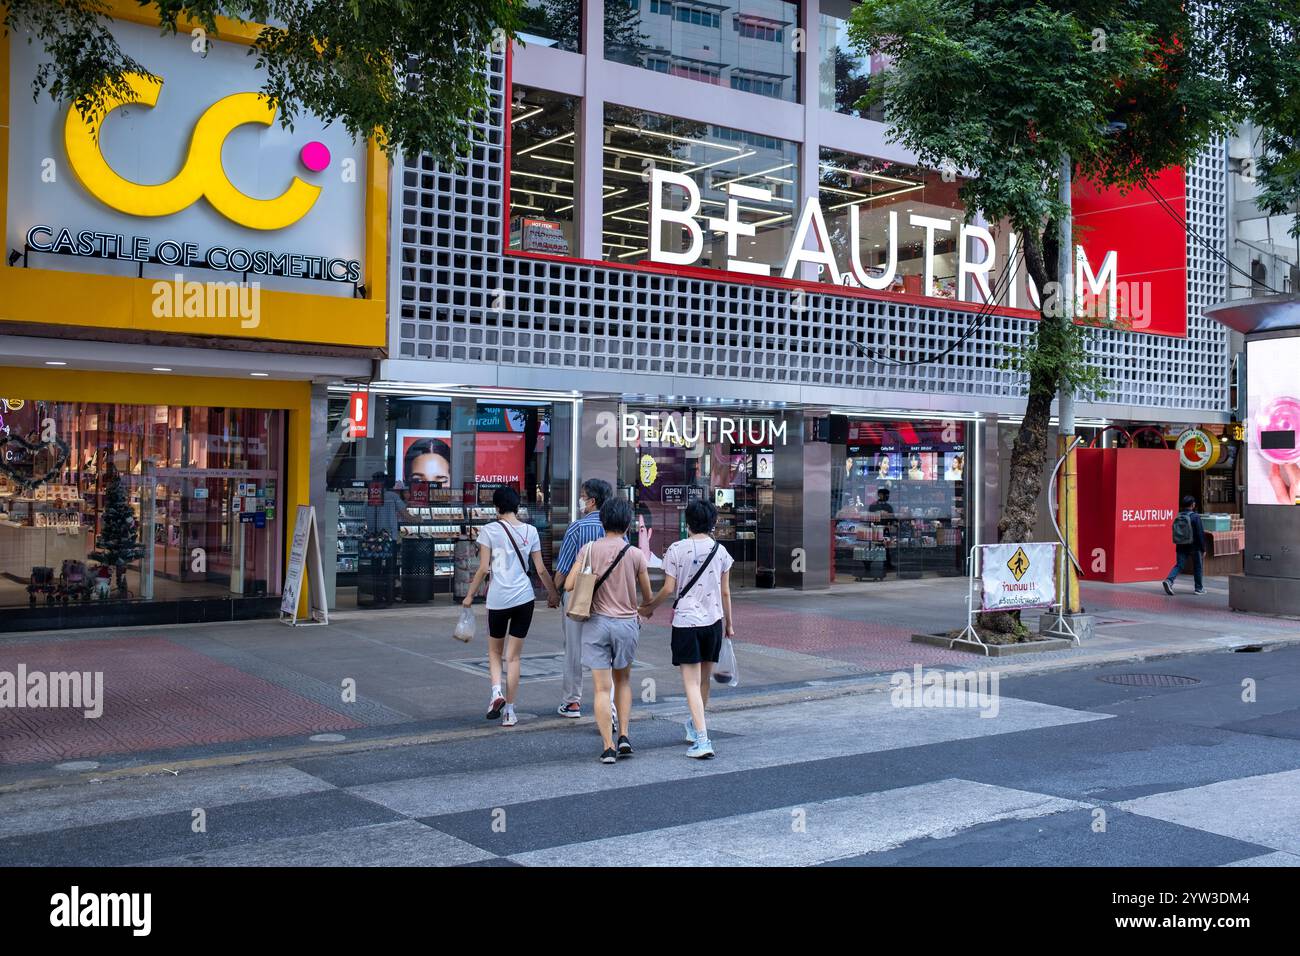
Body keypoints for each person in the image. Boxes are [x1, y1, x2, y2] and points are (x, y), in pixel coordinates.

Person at [639, 499, 733, 759]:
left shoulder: (676, 550)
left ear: (687, 523)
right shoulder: (721, 551)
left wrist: (648, 607)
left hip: (687, 623)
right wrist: (730, 624)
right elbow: (725, 592)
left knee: (690, 683)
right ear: (712, 522)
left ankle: (703, 740)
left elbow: (669, 589)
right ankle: (695, 726)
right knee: (703, 681)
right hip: (713, 622)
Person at [462, 486, 559, 727]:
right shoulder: (531, 531)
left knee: (495, 652)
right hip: (524, 599)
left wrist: (469, 595)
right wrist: (553, 594)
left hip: (497, 600)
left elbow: (484, 569)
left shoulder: (489, 531)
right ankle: (511, 712)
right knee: (513, 658)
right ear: (517, 506)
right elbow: (540, 569)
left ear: (496, 507)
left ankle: (496, 693)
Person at [568, 497, 652, 764]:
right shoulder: (636, 554)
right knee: (624, 682)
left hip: (596, 625)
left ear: (603, 521)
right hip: (627, 624)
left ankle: (607, 747)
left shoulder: (589, 549)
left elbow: (570, 584)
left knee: (602, 689)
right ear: (628, 523)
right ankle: (624, 735)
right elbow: (647, 597)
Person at [551, 478, 614, 718]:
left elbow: (565, 568)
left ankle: (572, 702)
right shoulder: (615, 528)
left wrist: (555, 592)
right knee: (606, 650)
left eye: (583, 496)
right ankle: (609, 705)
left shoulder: (577, 528)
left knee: (574, 649)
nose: (581, 500)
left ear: (592, 501)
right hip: (608, 596)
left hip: (578, 594)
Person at [1163, 496, 1207, 595]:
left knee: (1179, 565)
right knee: (1198, 567)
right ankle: (1199, 588)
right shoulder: (1195, 517)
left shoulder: (1178, 516)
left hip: (1181, 545)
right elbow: (1200, 534)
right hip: (1194, 546)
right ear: (1192, 505)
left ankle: (1169, 580)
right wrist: (1203, 548)